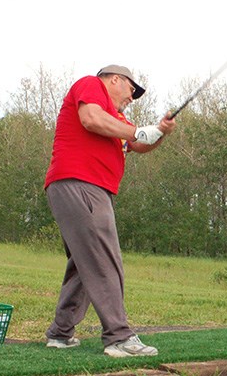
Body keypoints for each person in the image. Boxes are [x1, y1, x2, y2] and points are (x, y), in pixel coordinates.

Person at [43, 65, 176, 356]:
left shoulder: (116, 119)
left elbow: (137, 144)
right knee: (104, 259)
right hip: (81, 183)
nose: (132, 97)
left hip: (86, 187)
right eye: (131, 90)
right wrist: (138, 130)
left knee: (85, 261)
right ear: (115, 79)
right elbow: (91, 119)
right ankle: (118, 338)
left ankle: (60, 333)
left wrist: (159, 132)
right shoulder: (91, 86)